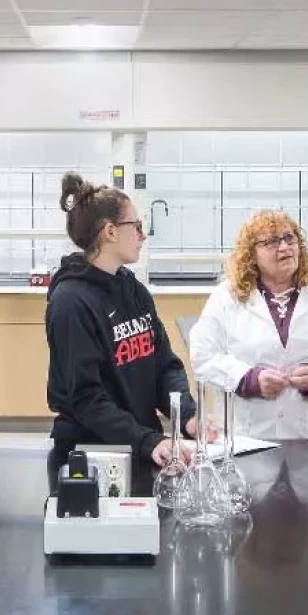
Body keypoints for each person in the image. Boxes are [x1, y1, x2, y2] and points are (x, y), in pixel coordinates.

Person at [45, 172, 200, 473]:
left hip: (143, 447)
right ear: (110, 232)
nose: (143, 235)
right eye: (137, 227)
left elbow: (164, 365)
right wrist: (148, 440)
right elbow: (86, 399)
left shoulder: (133, 289)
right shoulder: (71, 302)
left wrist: (188, 417)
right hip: (91, 454)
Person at [189, 210, 308, 439]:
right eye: (272, 242)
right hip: (248, 436)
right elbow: (203, 355)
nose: (284, 247)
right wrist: (249, 379)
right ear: (251, 254)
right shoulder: (228, 297)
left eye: (289, 238)